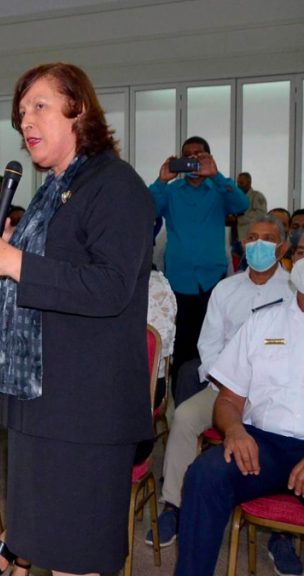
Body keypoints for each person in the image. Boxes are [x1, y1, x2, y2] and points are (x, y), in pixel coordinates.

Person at [0, 62, 154, 575]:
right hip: (39, 402)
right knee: (45, 550)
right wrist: (5, 249)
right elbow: (50, 270)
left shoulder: (115, 185)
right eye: (21, 112)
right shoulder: (54, 190)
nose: (26, 120)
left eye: (40, 106)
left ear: (79, 109)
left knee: (77, 558)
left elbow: (111, 287)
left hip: (85, 410)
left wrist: (14, 261)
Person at [146, 215, 293, 551]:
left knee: (285, 435)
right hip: (226, 390)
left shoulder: (292, 292)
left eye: (267, 239)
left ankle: (281, 534)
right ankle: (175, 506)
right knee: (184, 416)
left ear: (282, 247)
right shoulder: (225, 289)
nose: (258, 244)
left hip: (274, 395)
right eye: (252, 237)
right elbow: (208, 346)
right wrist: (230, 385)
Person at [174, 262, 304, 576]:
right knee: (205, 475)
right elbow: (228, 400)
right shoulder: (262, 323)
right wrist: (234, 430)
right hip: (262, 446)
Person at [151, 136, 248, 391]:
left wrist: (217, 175)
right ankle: (182, 402)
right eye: (188, 155)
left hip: (213, 281)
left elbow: (242, 204)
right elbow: (147, 210)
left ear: (208, 157)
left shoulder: (219, 189)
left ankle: (212, 398)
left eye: (199, 154)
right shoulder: (171, 191)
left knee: (214, 345)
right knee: (182, 346)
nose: (193, 159)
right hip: (179, 281)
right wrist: (161, 181)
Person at [230, 172, 267, 264]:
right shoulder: (236, 197)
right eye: (238, 183)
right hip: (235, 239)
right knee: (236, 267)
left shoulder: (256, 196)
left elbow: (260, 214)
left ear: (249, 183)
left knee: (249, 264)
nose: (239, 185)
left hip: (250, 239)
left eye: (241, 183)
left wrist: (239, 219)